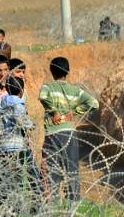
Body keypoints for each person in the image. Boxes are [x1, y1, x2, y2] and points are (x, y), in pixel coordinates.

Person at [38, 57, 99, 203]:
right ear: (69, 71)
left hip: (54, 134)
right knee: (72, 171)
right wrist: (76, 111)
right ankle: (73, 205)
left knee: (51, 170)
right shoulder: (75, 91)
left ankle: (50, 205)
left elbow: (42, 97)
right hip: (71, 134)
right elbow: (94, 103)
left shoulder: (48, 87)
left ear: (51, 72)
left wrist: (53, 112)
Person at [0, 76, 44, 205]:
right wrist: (32, 125)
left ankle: (4, 209)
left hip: (2, 146)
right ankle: (37, 210)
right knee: (34, 180)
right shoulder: (18, 102)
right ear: (22, 90)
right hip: (17, 147)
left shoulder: (1, 102)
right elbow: (20, 119)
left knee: (5, 181)